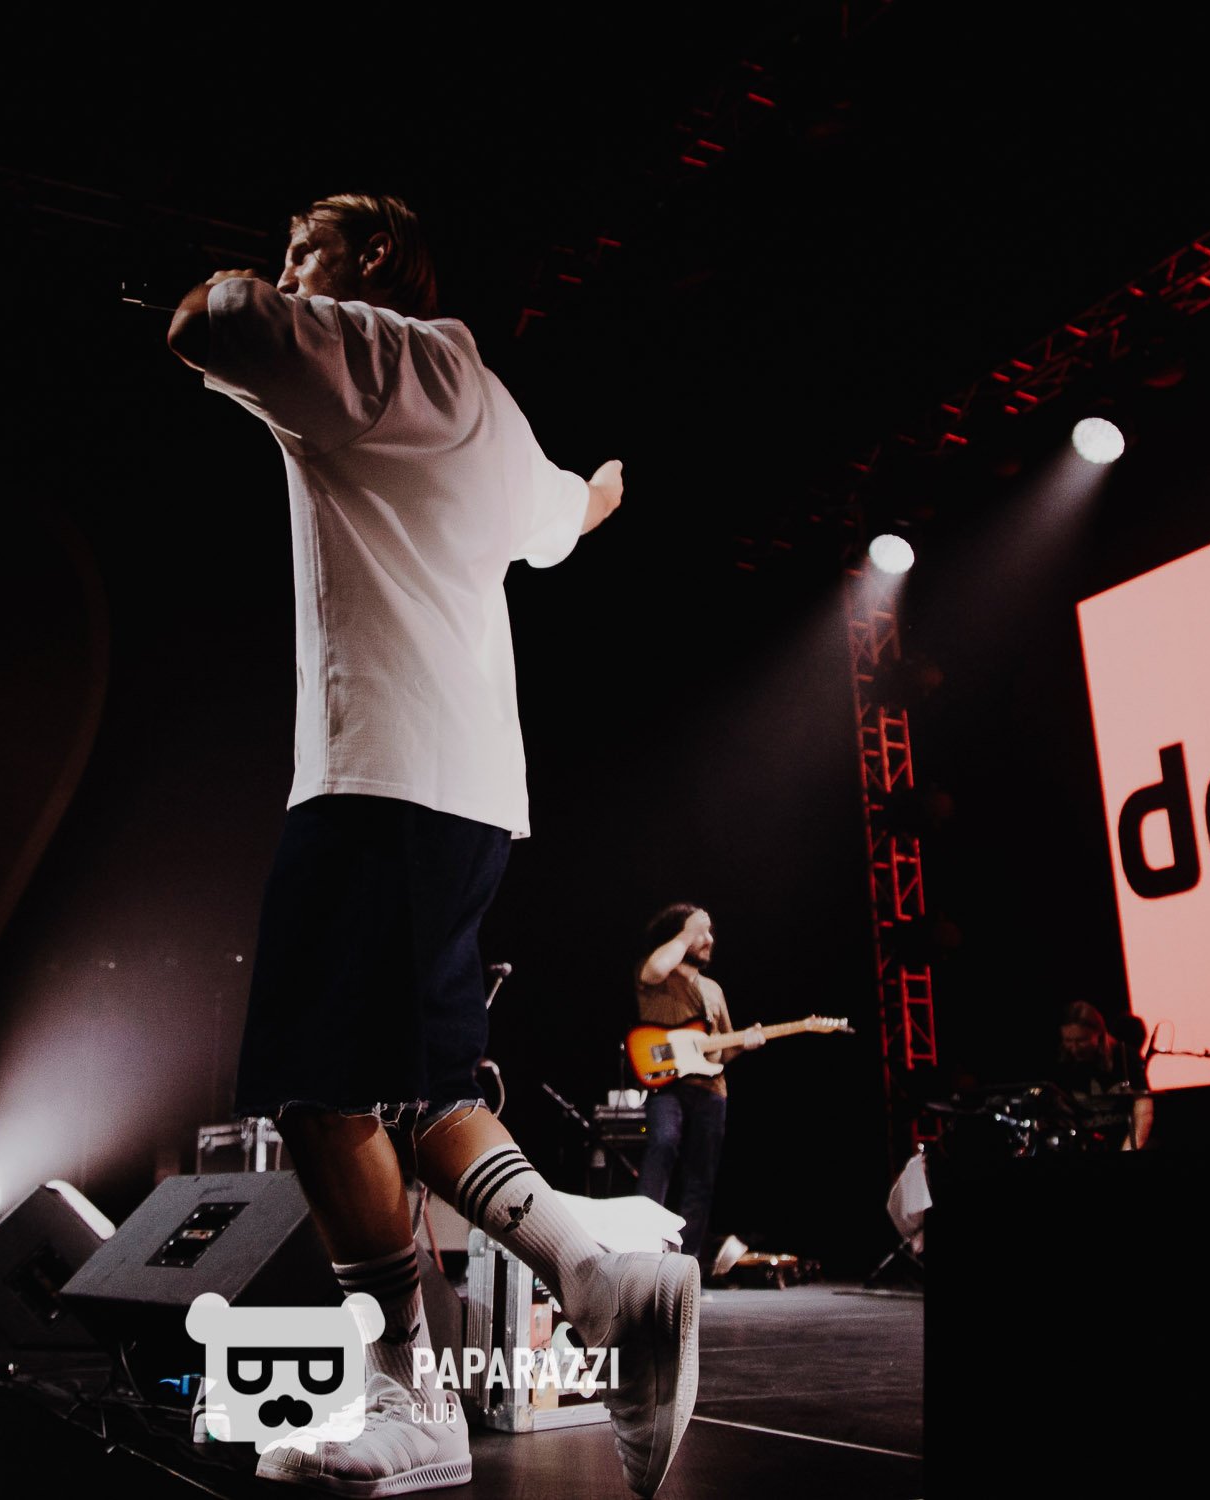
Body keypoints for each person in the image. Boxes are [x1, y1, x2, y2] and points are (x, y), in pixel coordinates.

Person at [167, 192, 695, 1497]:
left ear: (373, 262)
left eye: (308, 249)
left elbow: (207, 323)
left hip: (379, 779)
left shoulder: (361, 353)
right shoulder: (488, 404)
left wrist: (245, 293)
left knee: (315, 1092)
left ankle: (419, 1397)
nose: (291, 270)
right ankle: (595, 1270)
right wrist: (601, 491)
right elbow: (568, 520)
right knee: (415, 1087)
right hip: (463, 795)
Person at [634, 905, 764, 1278]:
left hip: (711, 1089)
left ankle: (684, 1266)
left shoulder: (713, 989)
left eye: (709, 932)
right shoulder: (656, 973)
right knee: (662, 1146)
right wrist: (688, 930)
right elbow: (656, 967)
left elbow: (722, 1049)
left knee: (700, 1177)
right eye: (700, 932)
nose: (708, 940)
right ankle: (640, 1250)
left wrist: (745, 1042)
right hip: (668, 1087)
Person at [1053, 1001, 1153, 1151]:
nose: (1074, 1048)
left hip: (1124, 1140)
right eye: (1068, 1041)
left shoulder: (1126, 1056)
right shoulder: (1061, 1063)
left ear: (1099, 1035)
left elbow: (1143, 1108)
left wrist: (1131, 1146)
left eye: (1081, 1041)